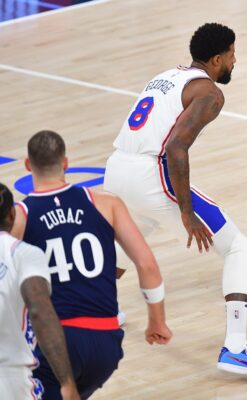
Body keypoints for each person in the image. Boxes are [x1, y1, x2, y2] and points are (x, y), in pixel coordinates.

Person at [103, 22, 247, 376]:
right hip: (150, 173)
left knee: (129, 240)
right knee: (237, 248)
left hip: (116, 167)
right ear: (217, 59)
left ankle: (92, 312)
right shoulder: (211, 94)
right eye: (232, 54)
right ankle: (235, 348)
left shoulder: (167, 75)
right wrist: (186, 212)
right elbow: (175, 148)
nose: (235, 60)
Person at [10, 130, 172, 399]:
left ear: (28, 166)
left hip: (55, 344)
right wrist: (157, 322)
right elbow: (147, 265)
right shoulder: (106, 204)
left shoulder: (20, 217)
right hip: (105, 342)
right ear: (66, 163)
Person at [0, 183, 80, 400]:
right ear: (12, 214)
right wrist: (66, 381)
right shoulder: (23, 253)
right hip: (10, 379)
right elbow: (40, 311)